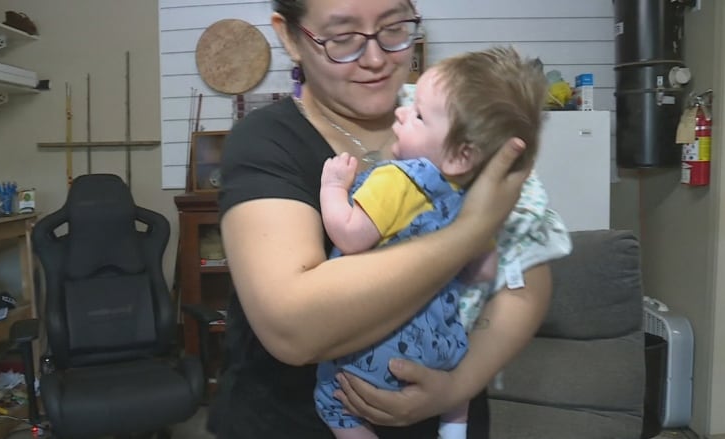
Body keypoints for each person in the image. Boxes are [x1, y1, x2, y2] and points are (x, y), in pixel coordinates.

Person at [208, 1, 560, 437]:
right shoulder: (267, 142)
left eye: (394, 28)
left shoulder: (464, 116)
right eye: (342, 38)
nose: (375, 59)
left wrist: (457, 387)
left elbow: (527, 273)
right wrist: (472, 230)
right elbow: (293, 328)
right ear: (290, 37)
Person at [315, 47, 569, 439]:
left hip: (380, 350)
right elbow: (484, 272)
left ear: (462, 154)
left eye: (417, 114)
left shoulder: (399, 178)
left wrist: (334, 188)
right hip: (444, 350)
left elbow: (350, 236)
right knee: (458, 368)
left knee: (333, 402)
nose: (402, 112)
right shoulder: (473, 201)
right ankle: (453, 431)